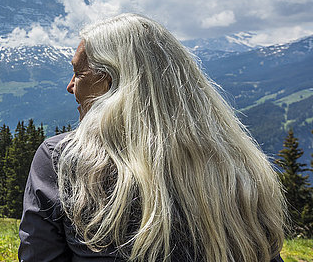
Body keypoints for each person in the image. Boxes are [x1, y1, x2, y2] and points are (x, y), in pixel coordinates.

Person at [18, 13, 286, 262]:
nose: (70, 86)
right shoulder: (238, 166)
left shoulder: (61, 160)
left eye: (78, 73)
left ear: (111, 83)